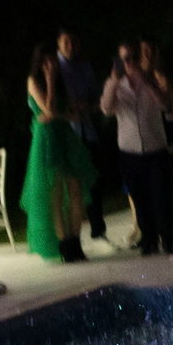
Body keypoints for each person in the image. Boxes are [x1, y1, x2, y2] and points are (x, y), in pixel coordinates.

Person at [101, 42, 173, 254]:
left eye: (131, 58)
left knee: (160, 194)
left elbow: (165, 105)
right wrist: (114, 82)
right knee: (140, 197)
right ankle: (149, 239)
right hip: (129, 149)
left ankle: (167, 237)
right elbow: (107, 108)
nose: (128, 64)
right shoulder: (115, 85)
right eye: (123, 59)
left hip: (155, 147)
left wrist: (148, 83)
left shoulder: (151, 80)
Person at [20, 44, 96, 262]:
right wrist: (51, 81)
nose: (50, 65)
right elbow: (48, 109)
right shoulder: (33, 81)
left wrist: (65, 114)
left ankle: (75, 241)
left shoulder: (62, 82)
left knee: (75, 190)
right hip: (47, 140)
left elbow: (68, 113)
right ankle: (64, 245)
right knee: (55, 194)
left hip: (64, 137)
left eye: (52, 61)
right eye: (46, 62)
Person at [54, 31, 111, 242]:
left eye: (73, 41)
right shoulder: (54, 69)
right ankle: (71, 236)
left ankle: (98, 231)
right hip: (66, 135)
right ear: (58, 44)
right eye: (65, 42)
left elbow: (98, 98)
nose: (70, 45)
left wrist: (88, 107)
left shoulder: (84, 67)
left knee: (93, 182)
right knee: (70, 188)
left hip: (87, 131)